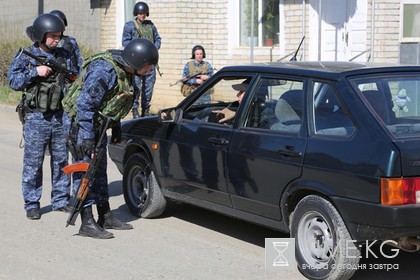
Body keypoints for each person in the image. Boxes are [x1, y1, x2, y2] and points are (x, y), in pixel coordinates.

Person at [62, 38, 159, 239]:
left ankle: (105, 215)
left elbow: (114, 103)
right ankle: (86, 222)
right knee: (85, 170)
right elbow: (85, 106)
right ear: (138, 61)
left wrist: (115, 128)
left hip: (97, 124)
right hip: (80, 124)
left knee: (99, 169)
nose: (150, 71)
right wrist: (87, 137)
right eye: (149, 66)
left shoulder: (128, 71)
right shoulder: (104, 71)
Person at [8, 14, 79, 220]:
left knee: (61, 160)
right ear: (41, 35)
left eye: (59, 36)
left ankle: (60, 199)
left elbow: (74, 78)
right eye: (53, 36)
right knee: (33, 162)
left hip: (59, 116)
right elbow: (13, 81)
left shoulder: (63, 55)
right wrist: (35, 72)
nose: (57, 40)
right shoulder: (27, 55)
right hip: (36, 117)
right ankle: (32, 203)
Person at [122, 1, 161, 118]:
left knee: (148, 88)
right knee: (136, 87)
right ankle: (134, 110)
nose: (142, 15)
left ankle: (146, 110)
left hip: (149, 63)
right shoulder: (130, 25)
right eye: (140, 13)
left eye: (144, 13)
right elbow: (125, 42)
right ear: (136, 13)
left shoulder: (151, 26)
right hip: (136, 63)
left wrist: (154, 48)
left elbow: (158, 39)